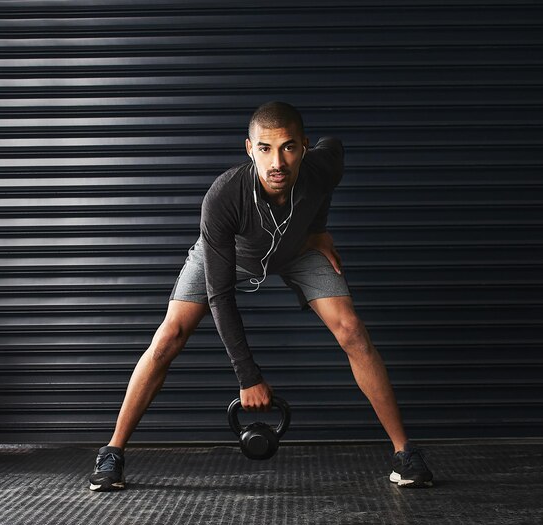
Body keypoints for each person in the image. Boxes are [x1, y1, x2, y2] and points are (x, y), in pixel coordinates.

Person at [89, 101, 433, 491]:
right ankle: (112, 452)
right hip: (228, 257)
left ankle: (405, 454)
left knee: (352, 330)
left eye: (288, 147)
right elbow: (220, 295)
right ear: (249, 149)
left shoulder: (321, 166)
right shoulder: (223, 197)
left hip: (296, 250)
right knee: (169, 336)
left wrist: (318, 228)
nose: (278, 163)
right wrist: (248, 376)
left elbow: (333, 150)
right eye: (265, 149)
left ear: (303, 146)